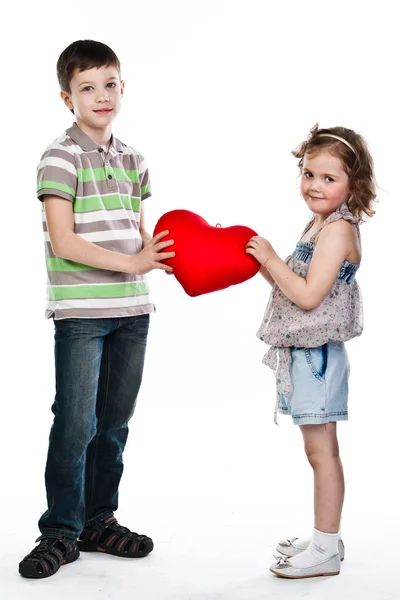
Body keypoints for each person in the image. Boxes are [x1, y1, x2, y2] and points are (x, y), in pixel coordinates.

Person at [19, 39, 175, 579]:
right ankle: (59, 531)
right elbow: (64, 242)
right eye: (88, 88)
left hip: (133, 310)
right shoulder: (59, 157)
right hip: (81, 312)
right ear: (68, 97)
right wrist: (135, 262)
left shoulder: (134, 159)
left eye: (110, 84)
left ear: (122, 86)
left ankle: (98, 520)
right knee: (75, 421)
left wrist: (169, 257)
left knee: (113, 422)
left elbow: (140, 234)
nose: (101, 96)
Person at [246, 124, 376, 579]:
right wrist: (261, 263)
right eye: (308, 174)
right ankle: (327, 537)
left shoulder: (339, 230)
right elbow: (292, 286)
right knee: (317, 452)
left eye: (328, 178)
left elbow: (308, 297)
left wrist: (269, 258)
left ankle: (324, 549)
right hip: (306, 353)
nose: (314, 186)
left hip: (318, 357)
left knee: (323, 454)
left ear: (353, 184)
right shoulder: (319, 222)